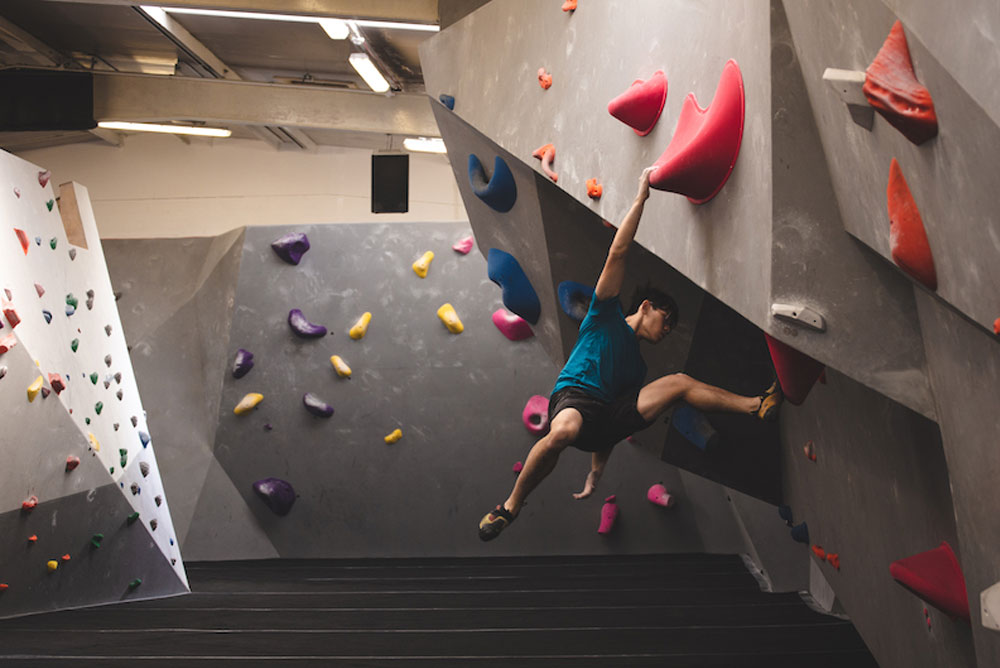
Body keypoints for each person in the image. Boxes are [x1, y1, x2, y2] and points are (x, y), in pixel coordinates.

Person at [478, 167, 781, 541]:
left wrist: (596, 470)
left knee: (679, 383)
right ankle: (511, 506)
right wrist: (641, 198)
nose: (666, 330)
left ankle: (757, 405)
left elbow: (613, 426)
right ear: (647, 306)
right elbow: (618, 251)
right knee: (566, 429)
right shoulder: (604, 314)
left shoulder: (637, 368)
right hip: (574, 398)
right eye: (665, 321)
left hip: (604, 418)